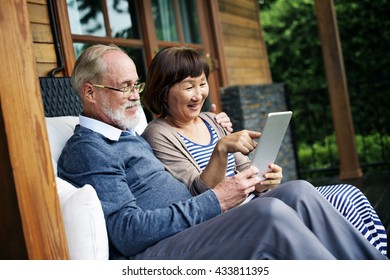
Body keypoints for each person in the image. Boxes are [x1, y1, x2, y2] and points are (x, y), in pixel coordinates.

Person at [57, 44, 387, 260]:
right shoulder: (90, 149)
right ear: (90, 92)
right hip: (158, 252)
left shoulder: (127, 135)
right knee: (267, 214)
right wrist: (217, 199)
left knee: (298, 191)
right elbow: (129, 234)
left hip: (192, 226)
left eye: (136, 85)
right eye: (124, 86)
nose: (133, 96)